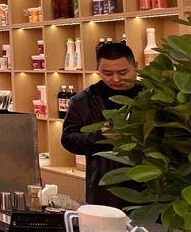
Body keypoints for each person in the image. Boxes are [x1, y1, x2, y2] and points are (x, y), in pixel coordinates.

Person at [61, 41, 142, 207]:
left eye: (123, 72)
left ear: (136, 66)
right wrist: (101, 136)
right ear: (97, 70)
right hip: (105, 188)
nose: (116, 79)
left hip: (151, 183)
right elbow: (68, 139)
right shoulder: (84, 100)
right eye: (107, 73)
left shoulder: (152, 95)